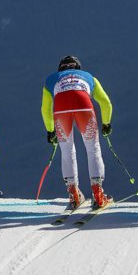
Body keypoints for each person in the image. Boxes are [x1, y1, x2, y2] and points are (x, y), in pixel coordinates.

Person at [41, 55, 114, 210]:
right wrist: (106, 123)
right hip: (84, 105)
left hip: (61, 108)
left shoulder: (51, 79)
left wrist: (50, 131)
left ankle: (74, 195)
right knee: (93, 149)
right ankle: (98, 196)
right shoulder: (89, 76)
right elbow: (105, 102)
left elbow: (45, 109)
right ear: (78, 68)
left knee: (67, 151)